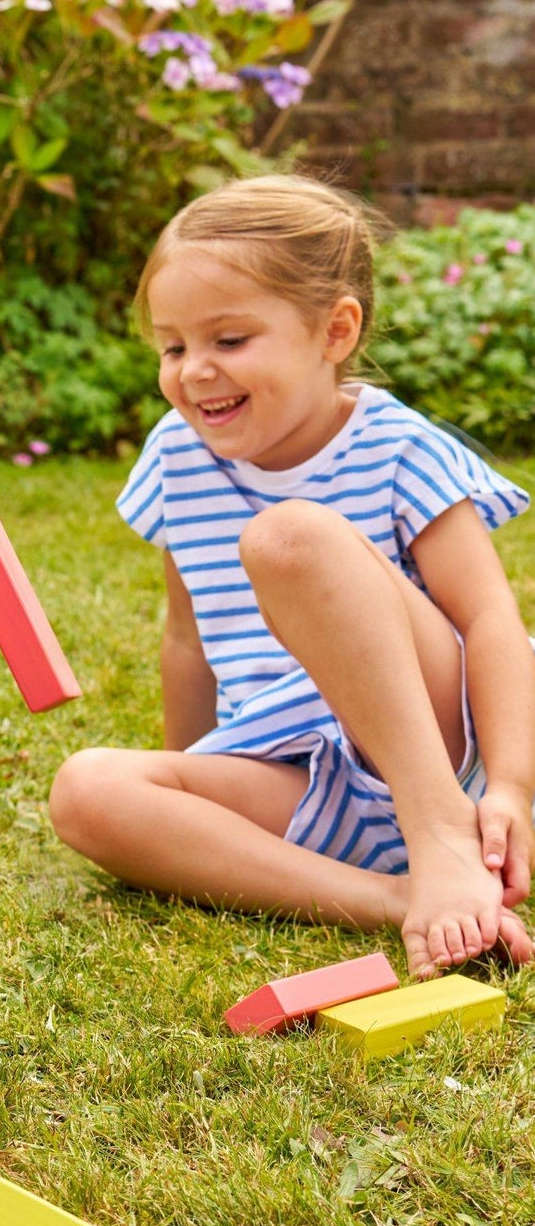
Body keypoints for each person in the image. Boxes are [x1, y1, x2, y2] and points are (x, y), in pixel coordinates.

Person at [49, 174, 535, 979]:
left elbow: (490, 620)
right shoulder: (176, 457)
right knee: (84, 788)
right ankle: (393, 892)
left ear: (334, 330)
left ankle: (442, 833)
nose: (193, 371)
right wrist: (190, 784)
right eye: (173, 346)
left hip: (445, 753)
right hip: (301, 780)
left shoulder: (395, 445)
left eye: (228, 340)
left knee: (289, 540)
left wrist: (511, 786)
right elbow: (187, 638)